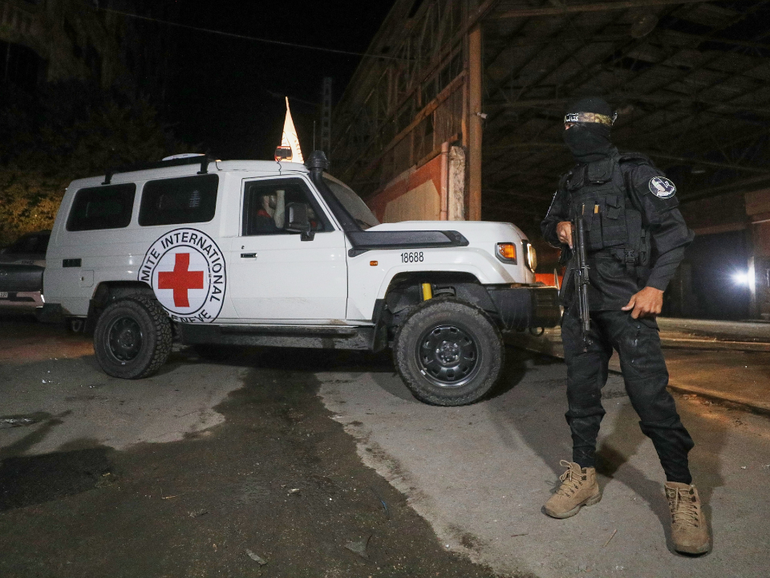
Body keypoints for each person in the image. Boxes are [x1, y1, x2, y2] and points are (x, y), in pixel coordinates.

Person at [540, 97, 710, 555]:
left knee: (650, 400)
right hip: (579, 303)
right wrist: (558, 228)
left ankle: (681, 492)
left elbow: (675, 235)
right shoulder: (570, 180)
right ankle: (583, 477)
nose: (573, 135)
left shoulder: (634, 172)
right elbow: (546, 221)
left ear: (601, 128)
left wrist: (655, 286)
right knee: (580, 396)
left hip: (628, 303)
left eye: (580, 127)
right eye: (567, 127)